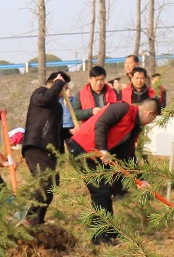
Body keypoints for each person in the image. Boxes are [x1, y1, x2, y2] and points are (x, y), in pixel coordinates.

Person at [72, 95, 160, 243]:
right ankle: (101, 236)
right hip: (83, 150)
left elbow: (128, 156)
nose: (150, 123)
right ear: (149, 114)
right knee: (101, 192)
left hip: (97, 154)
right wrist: (104, 149)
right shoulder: (121, 108)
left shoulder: (133, 127)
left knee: (104, 191)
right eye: (153, 119)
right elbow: (101, 124)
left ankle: (108, 232)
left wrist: (140, 180)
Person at [20, 70, 71, 226]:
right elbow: (46, 98)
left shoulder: (58, 106)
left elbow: (57, 131)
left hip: (49, 151)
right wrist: (58, 82)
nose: (65, 93)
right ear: (54, 83)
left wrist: (68, 135)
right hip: (36, 145)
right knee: (45, 182)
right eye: (64, 88)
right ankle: (26, 216)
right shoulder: (40, 93)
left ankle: (37, 220)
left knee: (52, 184)